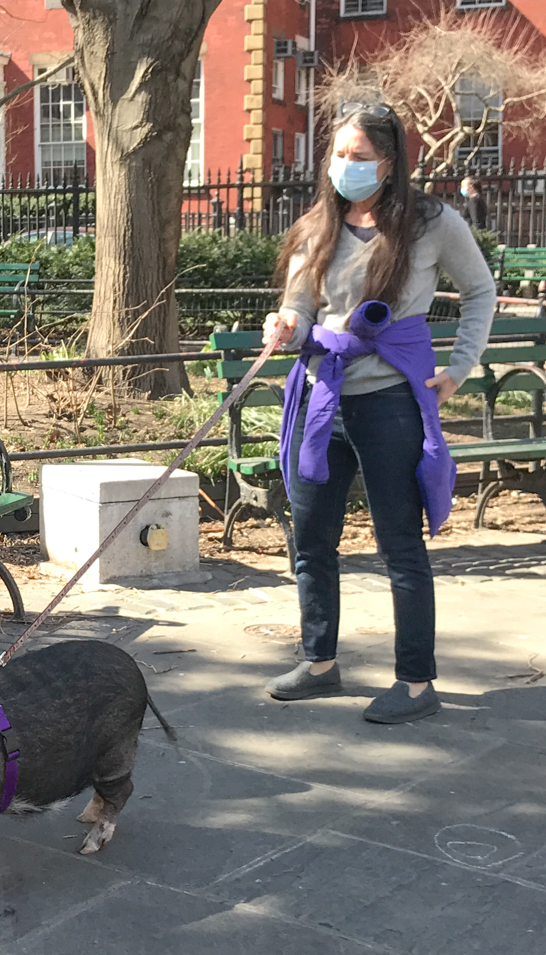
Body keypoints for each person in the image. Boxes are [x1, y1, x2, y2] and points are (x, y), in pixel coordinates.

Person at [262, 103, 496, 724]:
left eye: (360, 158)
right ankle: (320, 663)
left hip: (391, 400)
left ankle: (417, 682)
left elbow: (480, 291)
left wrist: (460, 366)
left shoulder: (431, 223)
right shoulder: (318, 225)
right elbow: (300, 305)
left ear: (390, 163)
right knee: (312, 541)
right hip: (320, 396)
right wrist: (286, 324)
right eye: (339, 155)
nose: (346, 167)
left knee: (400, 545)